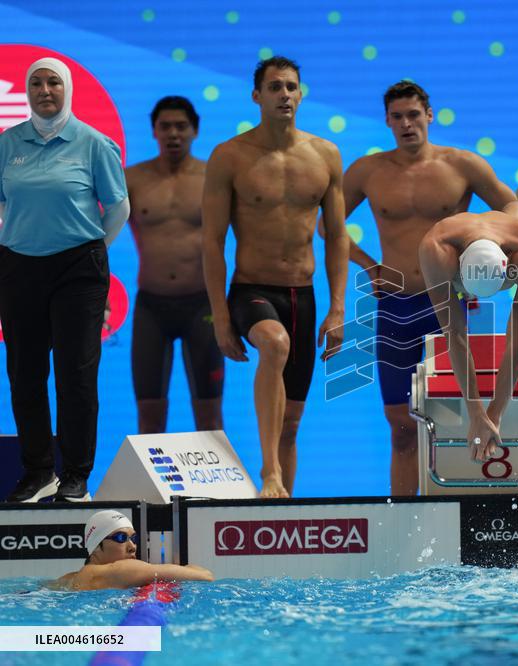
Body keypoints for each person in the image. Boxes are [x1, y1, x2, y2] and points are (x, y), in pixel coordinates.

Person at [343, 81, 517, 494]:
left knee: (460, 419)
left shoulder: (462, 165)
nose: (406, 124)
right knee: (401, 427)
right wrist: (369, 266)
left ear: (429, 115)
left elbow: (512, 214)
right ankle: (403, 525)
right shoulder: (368, 171)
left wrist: (478, 264)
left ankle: (460, 514)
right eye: (397, 117)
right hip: (396, 306)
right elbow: (327, 226)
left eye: (414, 115)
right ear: (386, 120)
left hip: (451, 303)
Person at [203, 56, 348, 498]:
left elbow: (337, 237)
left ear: (301, 94)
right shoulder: (230, 156)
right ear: (256, 96)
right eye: (274, 87)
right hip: (252, 291)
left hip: (302, 296)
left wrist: (338, 307)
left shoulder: (325, 154)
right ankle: (268, 474)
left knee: (291, 425)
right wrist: (221, 319)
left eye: (291, 87)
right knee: (275, 343)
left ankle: (282, 508)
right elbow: (212, 242)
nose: (284, 94)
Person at [0, 58, 129, 503]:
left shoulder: (94, 143)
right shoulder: (7, 143)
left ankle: (75, 475)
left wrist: (90, 249)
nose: (44, 90)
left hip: (78, 270)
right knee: (24, 373)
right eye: (35, 82)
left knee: (75, 374)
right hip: (18, 266)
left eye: (53, 81)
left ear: (67, 88)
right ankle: (39, 473)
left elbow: (118, 208)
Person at [418, 185, 518, 461]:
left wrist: (495, 413)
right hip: (464, 238)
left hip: (510, 232)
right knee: (514, 219)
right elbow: (454, 333)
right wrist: (475, 412)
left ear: (508, 268)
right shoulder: (435, 249)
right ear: (458, 273)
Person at [126, 96, 224, 434]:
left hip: (203, 306)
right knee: (149, 418)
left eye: (181, 126)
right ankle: (150, 490)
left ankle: (219, 490)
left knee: (210, 416)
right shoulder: (131, 180)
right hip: (151, 307)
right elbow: (97, 236)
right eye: (165, 126)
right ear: (153, 131)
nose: (173, 134)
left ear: (195, 131)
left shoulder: (214, 177)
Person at [51, 510, 214, 591]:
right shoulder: (121, 570)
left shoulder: (67, 579)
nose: (132, 546)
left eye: (133, 538)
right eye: (121, 538)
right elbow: (205, 576)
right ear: (96, 547)